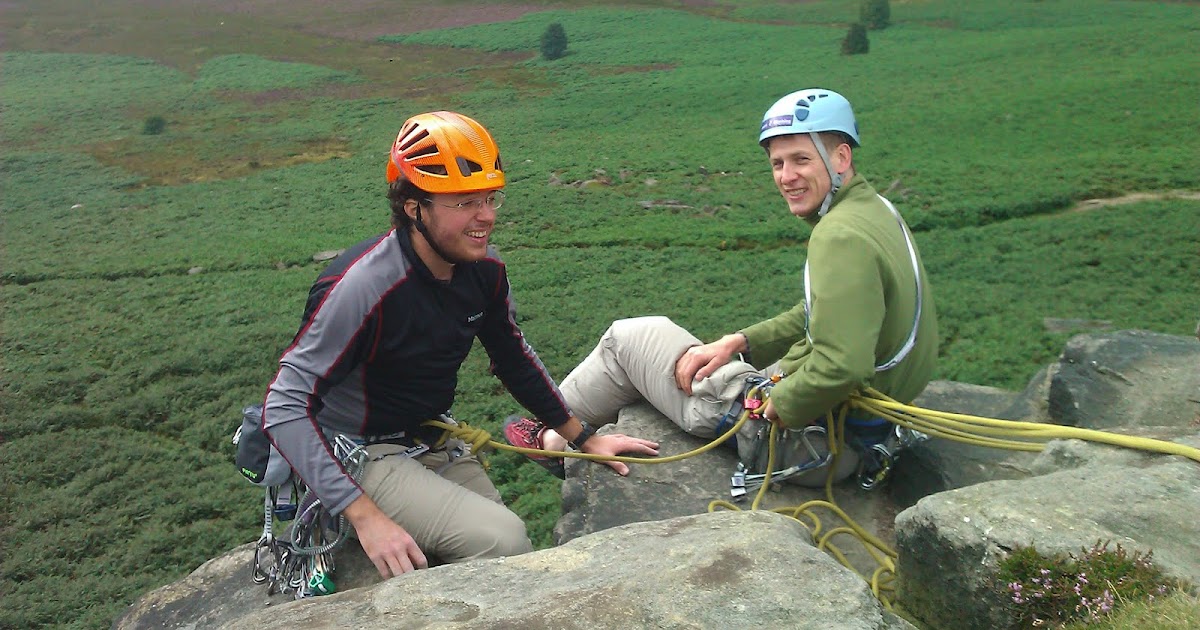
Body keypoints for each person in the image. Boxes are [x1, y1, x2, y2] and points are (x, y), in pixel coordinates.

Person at [260, 110, 659, 579]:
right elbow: (283, 406)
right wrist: (364, 516)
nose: (486, 216)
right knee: (503, 541)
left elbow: (513, 357)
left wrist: (585, 438)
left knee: (513, 550)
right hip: (357, 450)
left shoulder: (483, 272)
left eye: (490, 198)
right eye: (465, 202)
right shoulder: (363, 288)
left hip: (428, 436)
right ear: (414, 207)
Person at [505, 88, 938, 486]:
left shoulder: (838, 236)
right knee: (669, 352)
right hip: (865, 433)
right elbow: (824, 311)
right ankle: (562, 433)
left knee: (627, 339)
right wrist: (742, 342)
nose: (787, 176)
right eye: (778, 163)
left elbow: (844, 365)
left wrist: (781, 403)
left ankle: (553, 440)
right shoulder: (876, 211)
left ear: (840, 158)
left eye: (801, 160)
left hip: (815, 442)